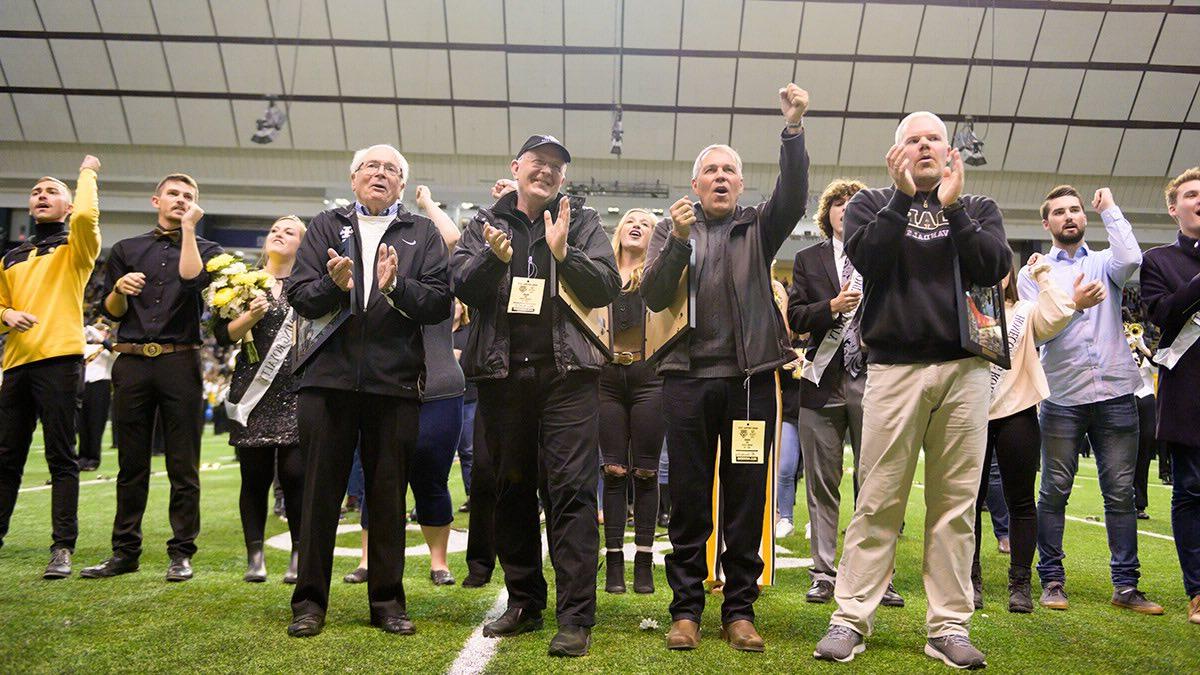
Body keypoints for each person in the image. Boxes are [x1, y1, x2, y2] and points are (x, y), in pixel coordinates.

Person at [814, 111, 1009, 668]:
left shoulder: (978, 209)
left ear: (951, 153)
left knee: (955, 506)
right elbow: (867, 260)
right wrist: (902, 200)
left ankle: (948, 625)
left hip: (965, 368)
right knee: (877, 501)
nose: (924, 146)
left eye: (934, 140)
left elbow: (992, 266)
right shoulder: (869, 205)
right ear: (896, 153)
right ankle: (850, 617)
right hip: (894, 368)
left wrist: (951, 209)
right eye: (913, 140)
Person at [642, 83, 810, 653]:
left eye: (729, 171)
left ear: (740, 185)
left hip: (749, 383)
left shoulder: (759, 228)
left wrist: (792, 131)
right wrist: (676, 243)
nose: (719, 177)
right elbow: (653, 296)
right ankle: (685, 610)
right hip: (686, 382)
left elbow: (794, 197)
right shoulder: (673, 228)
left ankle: (738, 610)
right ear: (695, 184)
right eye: (710, 170)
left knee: (744, 500)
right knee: (687, 500)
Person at [452, 134, 620, 657]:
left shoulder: (584, 222)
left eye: (556, 166)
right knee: (510, 490)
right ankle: (524, 600)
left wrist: (564, 254)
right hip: (502, 379)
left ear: (564, 178)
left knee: (571, 493)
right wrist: (491, 260)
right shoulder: (485, 221)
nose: (546, 171)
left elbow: (607, 287)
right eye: (537, 163)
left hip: (567, 377)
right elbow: (460, 284)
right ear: (516, 167)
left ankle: (575, 616)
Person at [285, 144, 452, 638]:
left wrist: (398, 287)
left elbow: (440, 303)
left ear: (403, 184)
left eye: (391, 170)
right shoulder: (324, 226)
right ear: (353, 177)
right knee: (320, 495)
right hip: (327, 382)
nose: (380, 174)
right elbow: (300, 296)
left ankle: (387, 602)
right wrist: (335, 286)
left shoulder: (422, 233)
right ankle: (310, 603)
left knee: (386, 496)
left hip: (394, 383)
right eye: (371, 167)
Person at [1018, 185, 1162, 615]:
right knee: (1055, 490)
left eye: (1075, 210)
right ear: (1046, 223)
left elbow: (1133, 258)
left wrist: (1111, 209)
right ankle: (1052, 580)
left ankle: (1126, 586)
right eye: (1059, 212)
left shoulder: (1105, 263)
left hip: (1117, 391)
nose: (1069, 217)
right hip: (1062, 395)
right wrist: (1075, 307)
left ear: (1084, 217)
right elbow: (1035, 333)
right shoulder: (1034, 273)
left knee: (1121, 493)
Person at [83, 172, 223, 583]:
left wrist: (190, 231)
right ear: (155, 201)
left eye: (189, 196)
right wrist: (120, 290)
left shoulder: (207, 248)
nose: (180, 200)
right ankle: (124, 552)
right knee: (131, 464)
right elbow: (111, 312)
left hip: (180, 360)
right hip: (131, 362)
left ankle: (181, 553)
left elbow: (193, 280)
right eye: (174, 194)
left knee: (184, 464)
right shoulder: (126, 249)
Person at [341, 185, 465, 588]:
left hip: (439, 387)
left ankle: (439, 561)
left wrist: (427, 204)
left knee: (431, 476)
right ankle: (365, 559)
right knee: (376, 475)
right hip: (385, 384)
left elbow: (453, 240)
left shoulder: (438, 283)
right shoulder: (373, 277)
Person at [788, 178, 902, 608]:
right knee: (822, 482)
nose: (845, 209)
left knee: (876, 482)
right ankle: (823, 571)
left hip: (876, 377)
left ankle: (878, 574)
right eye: (838, 203)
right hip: (822, 381)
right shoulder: (807, 259)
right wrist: (830, 308)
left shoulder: (885, 257)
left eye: (854, 203)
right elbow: (796, 316)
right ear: (828, 214)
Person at [0, 155, 102, 579]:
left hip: (59, 361)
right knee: (5, 457)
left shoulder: (76, 249)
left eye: (52, 191)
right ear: (28, 206)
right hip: (16, 366)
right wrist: (5, 316)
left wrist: (86, 174)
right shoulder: (10, 257)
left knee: (62, 457)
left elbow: (87, 218)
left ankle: (62, 547)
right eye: (36, 191)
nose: (42, 195)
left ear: (68, 206)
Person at [972, 252, 1089, 613]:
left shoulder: (1025, 309)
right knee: (968, 503)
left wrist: (1042, 275)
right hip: (970, 413)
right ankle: (969, 578)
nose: (993, 277)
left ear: (1008, 273)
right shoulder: (963, 310)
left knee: (1021, 501)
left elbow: (1058, 313)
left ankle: (1019, 583)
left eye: (999, 270)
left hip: (1017, 411)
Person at [213, 215, 307, 584]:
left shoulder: (308, 285)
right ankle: (255, 555)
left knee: (296, 475)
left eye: (289, 231)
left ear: (302, 244)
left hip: (296, 391)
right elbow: (223, 335)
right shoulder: (239, 283)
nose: (279, 235)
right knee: (253, 477)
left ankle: (300, 553)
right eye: (275, 230)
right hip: (252, 391)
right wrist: (249, 317)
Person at [1139, 166, 1200, 624]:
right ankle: (1198, 591)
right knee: (1192, 490)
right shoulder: (1158, 261)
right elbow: (1163, 315)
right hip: (1189, 390)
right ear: (1173, 207)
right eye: (1192, 194)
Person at [600, 208, 664, 595]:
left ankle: (643, 562)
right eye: (630, 220)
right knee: (612, 470)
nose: (636, 224)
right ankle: (612, 566)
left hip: (649, 377)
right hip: (606, 378)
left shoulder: (658, 278)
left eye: (646, 223)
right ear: (619, 230)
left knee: (646, 471)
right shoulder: (603, 276)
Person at [78, 321, 115, 472]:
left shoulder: (108, 348)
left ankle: (93, 458)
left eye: (103, 331)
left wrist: (101, 339)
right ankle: (82, 457)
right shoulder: (85, 347)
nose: (100, 333)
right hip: (83, 386)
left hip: (100, 386)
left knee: (96, 423)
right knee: (82, 423)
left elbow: (114, 353)